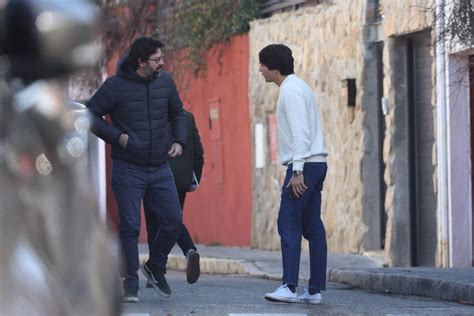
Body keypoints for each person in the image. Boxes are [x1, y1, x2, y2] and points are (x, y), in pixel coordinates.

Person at [86, 36, 188, 303]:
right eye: (157, 59)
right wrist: (117, 136)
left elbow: (178, 113)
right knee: (130, 227)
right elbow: (90, 115)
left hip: (159, 167)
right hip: (127, 168)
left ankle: (155, 266)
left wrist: (179, 140)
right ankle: (130, 283)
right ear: (141, 62)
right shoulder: (115, 86)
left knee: (173, 221)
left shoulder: (165, 82)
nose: (162, 63)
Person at [259, 44, 329, 305]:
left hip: (305, 165)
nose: (260, 70)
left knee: (288, 223)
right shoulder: (300, 87)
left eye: (262, 65)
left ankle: (289, 286)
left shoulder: (291, 90)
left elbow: (301, 133)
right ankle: (313, 291)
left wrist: (297, 170)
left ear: (273, 68)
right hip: (316, 163)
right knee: (312, 226)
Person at [145, 109, 204, 285]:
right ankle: (181, 256)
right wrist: (194, 179)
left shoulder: (150, 114)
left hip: (156, 176)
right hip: (181, 180)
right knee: (173, 220)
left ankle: (160, 268)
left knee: (156, 225)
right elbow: (199, 152)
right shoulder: (187, 117)